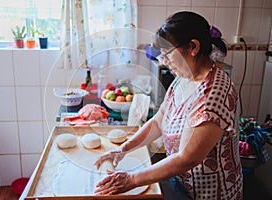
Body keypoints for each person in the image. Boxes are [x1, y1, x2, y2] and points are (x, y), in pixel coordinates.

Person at [94, 11, 243, 200]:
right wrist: (123, 149)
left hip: (211, 193)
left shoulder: (213, 95)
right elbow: (159, 121)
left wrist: (131, 179)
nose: (164, 61)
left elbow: (186, 158)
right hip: (182, 183)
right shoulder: (185, 76)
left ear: (193, 47)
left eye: (167, 54)